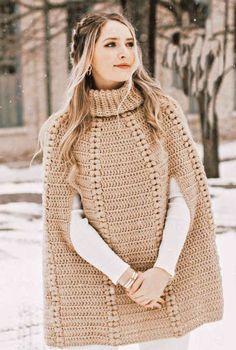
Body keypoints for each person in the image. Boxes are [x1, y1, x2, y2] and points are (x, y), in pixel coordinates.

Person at [32, 11, 224, 350]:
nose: (125, 53)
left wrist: (162, 271)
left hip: (164, 281)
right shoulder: (63, 130)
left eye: (130, 43)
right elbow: (69, 222)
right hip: (100, 283)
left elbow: (184, 199)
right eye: (111, 44)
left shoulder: (161, 110)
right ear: (85, 56)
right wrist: (127, 278)